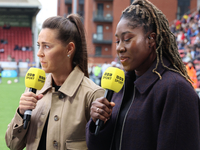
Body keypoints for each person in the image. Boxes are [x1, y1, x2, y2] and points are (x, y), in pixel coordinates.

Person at [86, 0, 200, 150]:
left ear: (151, 39)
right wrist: (97, 122)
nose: (120, 48)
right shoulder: (119, 89)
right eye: (117, 41)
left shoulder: (176, 89)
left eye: (127, 39)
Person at [5, 14, 105, 150]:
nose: (39, 53)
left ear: (69, 49)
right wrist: (21, 113)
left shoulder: (93, 94)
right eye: (38, 46)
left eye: (46, 46)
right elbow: (12, 144)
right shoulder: (34, 89)